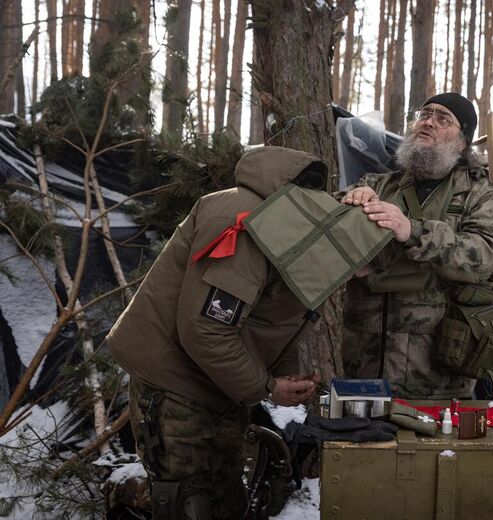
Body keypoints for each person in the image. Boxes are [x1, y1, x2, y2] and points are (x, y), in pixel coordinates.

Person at [107, 146, 328, 520]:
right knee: (187, 502)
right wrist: (269, 387)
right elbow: (206, 329)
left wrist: (283, 371)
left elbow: (263, 311)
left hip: (213, 385)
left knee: (223, 500)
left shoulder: (275, 220)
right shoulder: (245, 220)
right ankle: (124, 495)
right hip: (175, 386)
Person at [339, 92, 493, 400]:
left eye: (442, 118)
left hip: (436, 375)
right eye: (424, 114)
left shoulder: (481, 194)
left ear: (462, 141)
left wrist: (413, 231)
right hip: (364, 366)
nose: (428, 123)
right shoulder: (377, 185)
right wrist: (349, 203)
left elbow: (484, 253)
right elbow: (328, 237)